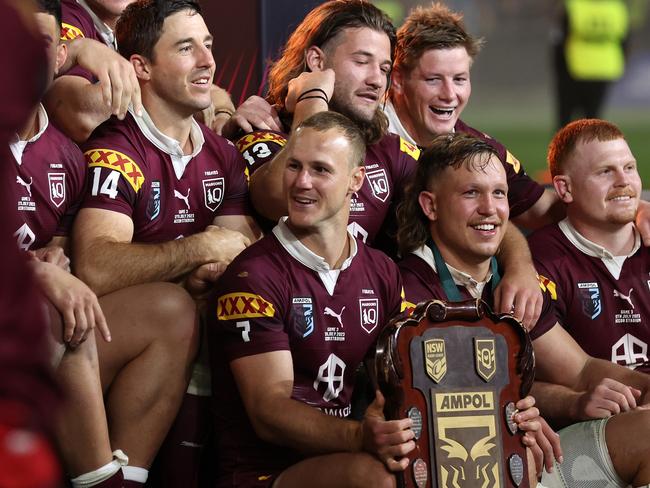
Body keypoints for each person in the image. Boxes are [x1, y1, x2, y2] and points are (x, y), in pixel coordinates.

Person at [227, 0, 543, 329]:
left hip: (367, 328)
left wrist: (519, 264)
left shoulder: (388, 147)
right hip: (285, 326)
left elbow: (464, 203)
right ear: (317, 61)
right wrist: (312, 98)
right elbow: (281, 196)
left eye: (383, 67)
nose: (378, 80)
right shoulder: (265, 131)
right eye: (362, 62)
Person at [9, 2, 199, 487]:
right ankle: (100, 480)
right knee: (55, 307)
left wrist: (55, 259)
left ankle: (129, 475)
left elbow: (53, 245)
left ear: (58, 59)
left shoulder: (68, 156)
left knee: (170, 309)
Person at [72, 1, 261, 486]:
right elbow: (95, 266)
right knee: (172, 307)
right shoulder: (117, 145)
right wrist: (197, 251)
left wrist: (211, 265)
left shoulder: (222, 156)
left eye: (209, 46)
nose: (207, 61)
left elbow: (237, 255)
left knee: (216, 307)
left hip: (175, 340)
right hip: (91, 344)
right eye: (185, 48)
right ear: (142, 68)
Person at [396, 132, 650, 487]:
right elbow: (451, 404)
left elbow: (580, 369)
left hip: (529, 450)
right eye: (471, 193)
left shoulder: (512, 283)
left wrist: (641, 387)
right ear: (431, 205)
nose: (490, 208)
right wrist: (534, 406)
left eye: (499, 193)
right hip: (457, 462)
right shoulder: (404, 288)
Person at [387, 3, 565, 230]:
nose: (450, 95)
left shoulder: (480, 148)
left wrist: (606, 198)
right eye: (433, 79)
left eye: (459, 79)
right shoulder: (363, 139)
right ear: (398, 80)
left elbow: (541, 211)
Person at [529, 119, 649, 373]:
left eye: (629, 167)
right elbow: (546, 377)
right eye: (605, 171)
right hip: (598, 408)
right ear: (565, 188)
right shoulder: (538, 260)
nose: (623, 181)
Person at [551, 0, 629, 128]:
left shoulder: (574, 5)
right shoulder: (617, 7)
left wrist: (558, 67)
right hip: (604, 67)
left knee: (565, 120)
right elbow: (625, 40)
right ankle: (591, 147)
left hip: (574, 66)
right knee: (593, 120)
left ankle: (564, 148)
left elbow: (560, 38)